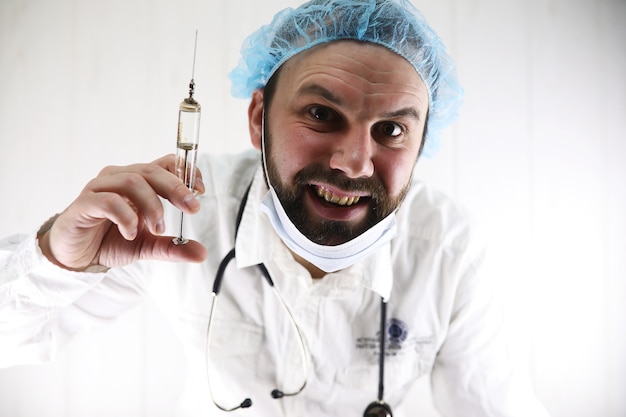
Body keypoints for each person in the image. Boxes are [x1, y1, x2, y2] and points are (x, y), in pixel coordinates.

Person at [0, 0, 550, 415]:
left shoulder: (448, 251)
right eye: (320, 113)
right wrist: (59, 258)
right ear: (258, 116)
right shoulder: (179, 214)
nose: (355, 163)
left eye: (391, 129)